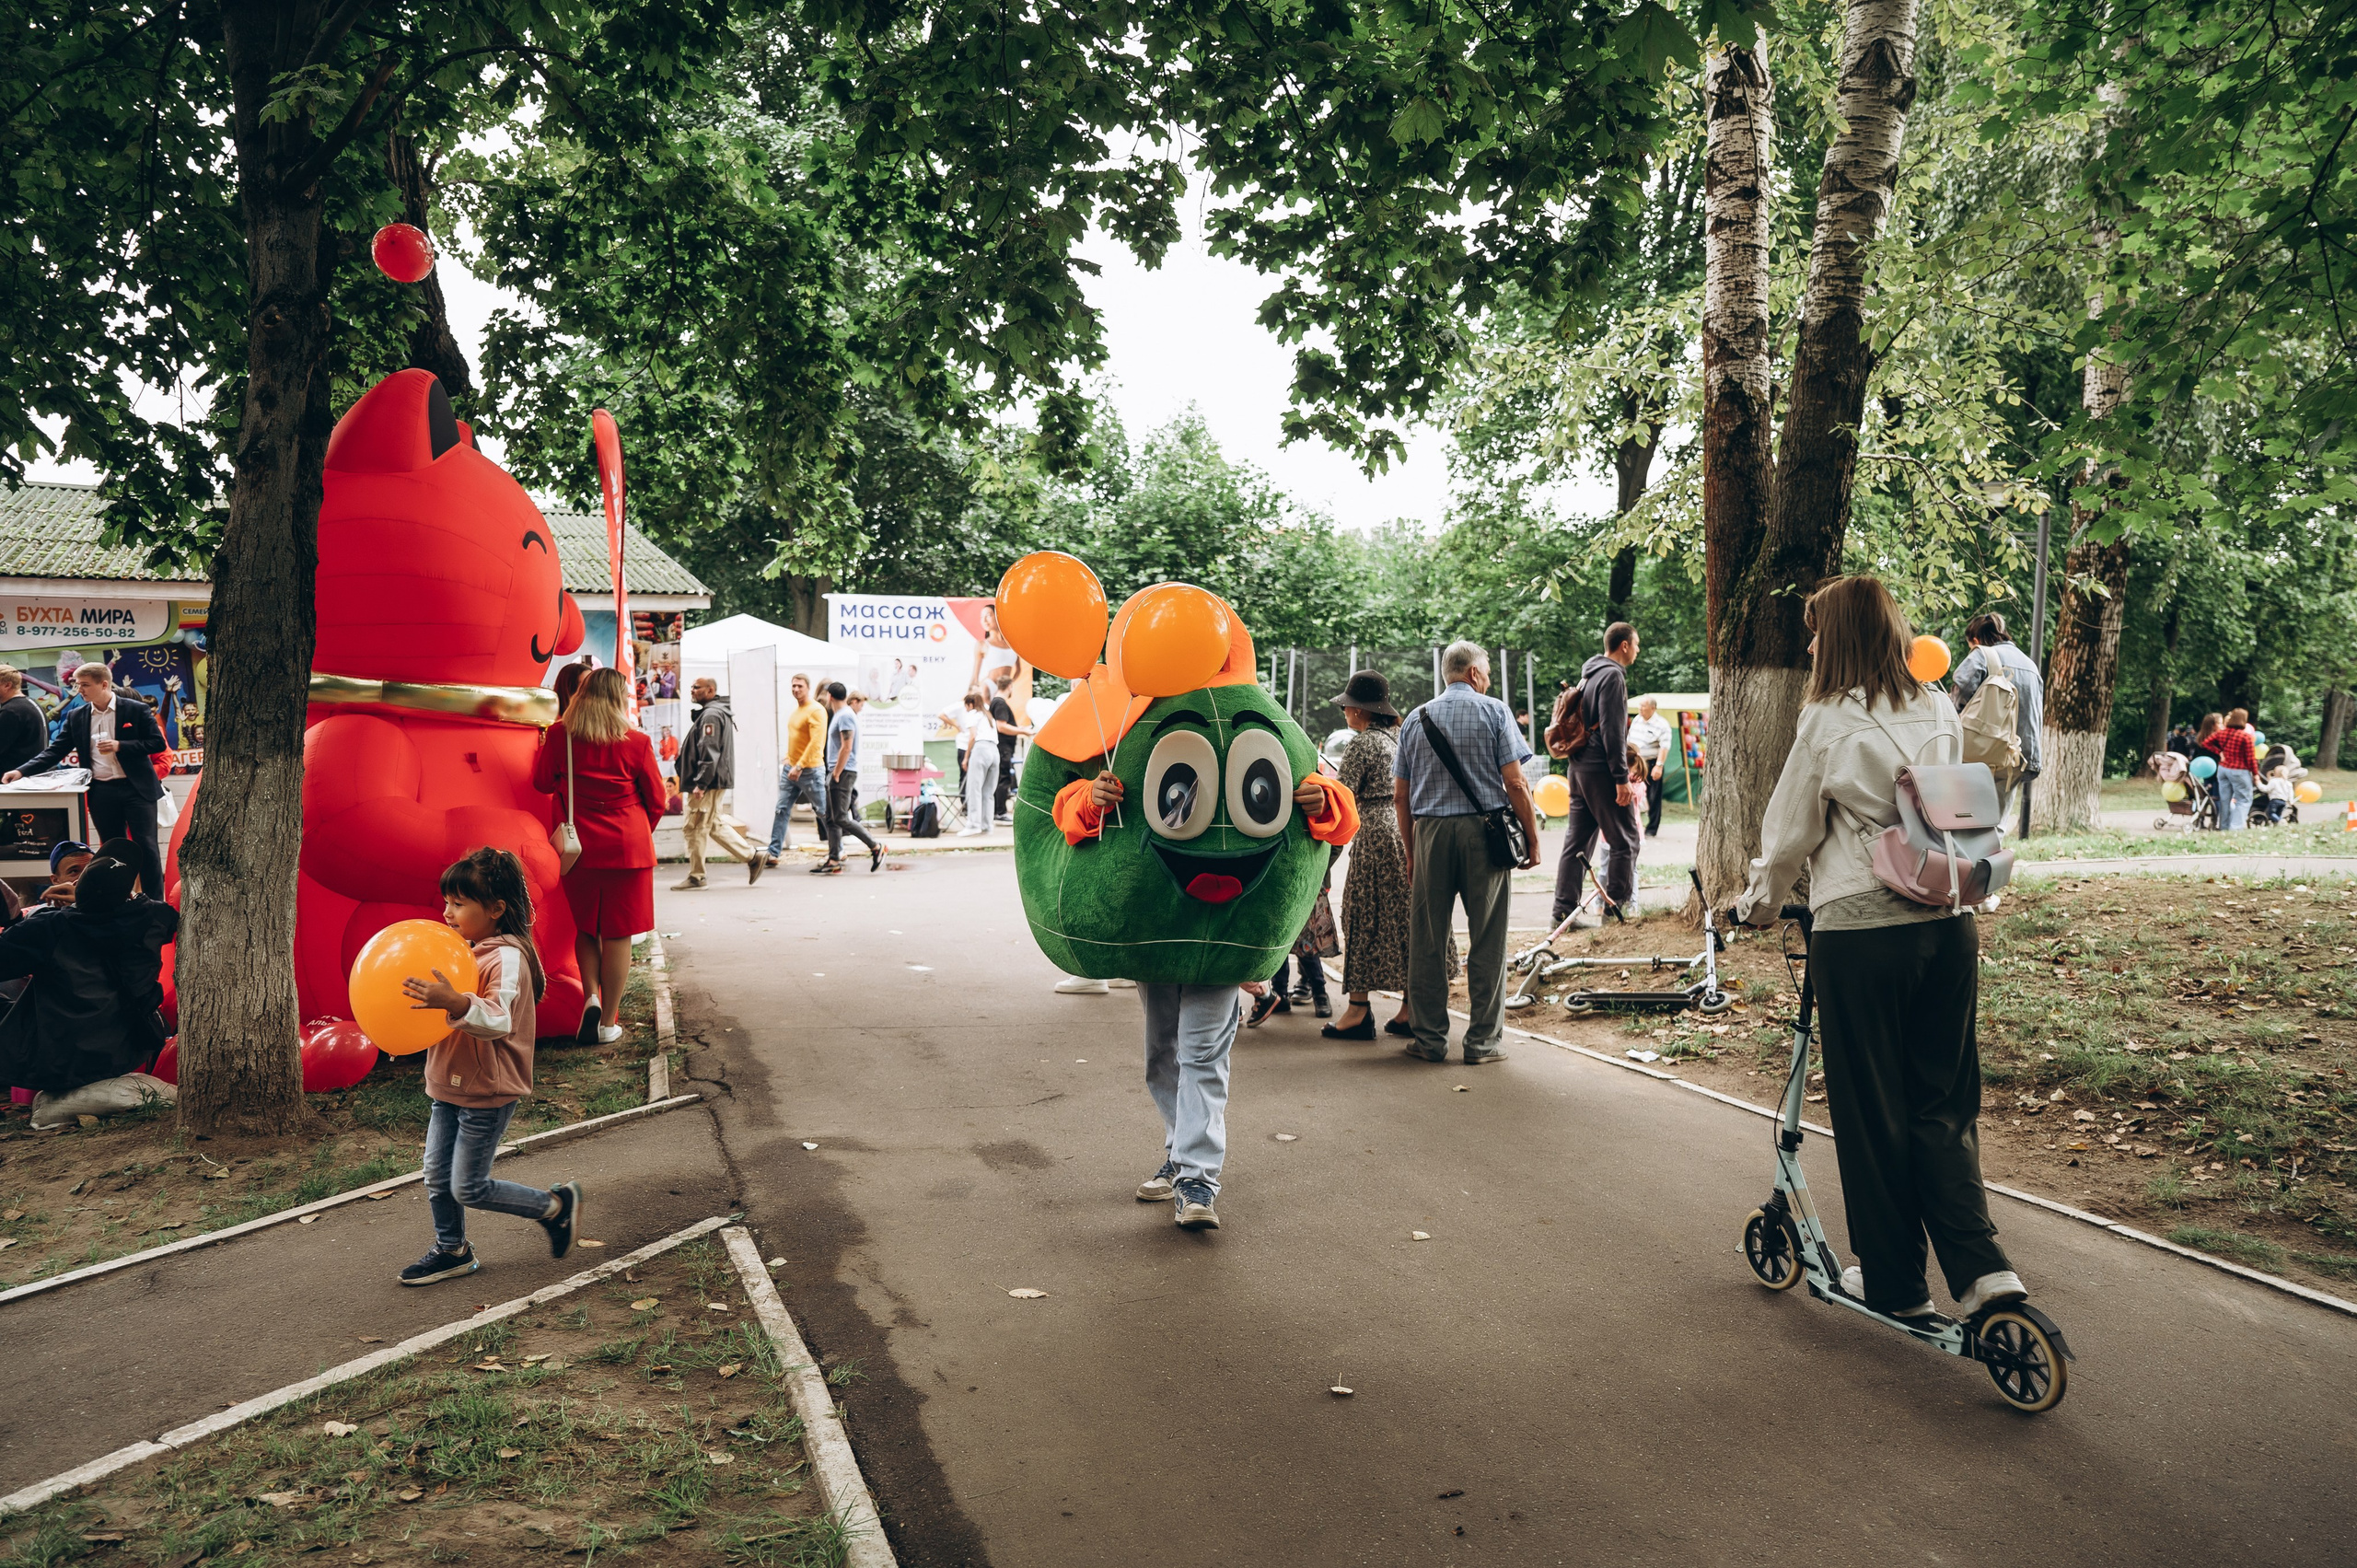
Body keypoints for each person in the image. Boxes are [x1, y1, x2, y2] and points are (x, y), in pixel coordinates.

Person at [1731, 574, 2026, 1322]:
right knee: (1945, 1102)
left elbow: (1791, 832)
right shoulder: (1935, 703)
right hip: (1946, 922)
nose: (1809, 641)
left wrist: (1757, 905)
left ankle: (1894, 1281)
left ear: (1842, 633)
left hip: (1863, 935)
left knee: (1873, 1114)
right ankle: (1984, 1268)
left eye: (1815, 628)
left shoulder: (1827, 720)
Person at [1067, 767, 1276, 1231]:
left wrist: (1323, 798)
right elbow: (1063, 809)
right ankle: (1181, 1154)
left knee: (1202, 1055)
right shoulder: (1131, 728)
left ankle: (1197, 1178)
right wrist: (1090, 797)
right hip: (1156, 935)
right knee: (1162, 1053)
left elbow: (1327, 817)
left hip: (1221, 932)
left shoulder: (1235, 714)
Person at [394, 846, 583, 1285]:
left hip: (488, 1088)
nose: (447, 912)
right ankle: (451, 1250)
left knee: (468, 1186)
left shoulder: (508, 957)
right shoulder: (464, 948)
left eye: (459, 904)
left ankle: (555, 1208)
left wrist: (456, 1002)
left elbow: (498, 1019)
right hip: (447, 1082)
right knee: (437, 1177)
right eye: (447, 902)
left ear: (496, 909)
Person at [1395, 641, 1541, 1065]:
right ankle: (1482, 1043)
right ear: (1474, 673)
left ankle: (1429, 1041)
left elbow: (1400, 796)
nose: (1489, 680)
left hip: (1430, 833)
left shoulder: (1414, 720)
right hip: (1485, 836)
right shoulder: (1495, 711)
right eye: (1488, 672)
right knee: (1488, 940)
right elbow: (1516, 784)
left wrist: (1411, 851)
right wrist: (1531, 839)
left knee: (1427, 939)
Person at [531, 667, 666, 1046]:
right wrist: (637, 832)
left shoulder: (560, 735)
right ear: (619, 699)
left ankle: (590, 994)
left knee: (587, 928)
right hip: (629, 849)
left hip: (579, 850)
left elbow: (541, 782)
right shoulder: (636, 742)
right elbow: (657, 801)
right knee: (619, 934)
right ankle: (608, 1022)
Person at [0, 856, 178, 1111]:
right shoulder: (152, 917)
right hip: (130, 1049)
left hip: (64, 1063)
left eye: (85, 872)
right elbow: (159, 911)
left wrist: (15, 920)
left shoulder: (49, 927)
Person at [5, 662, 169, 900]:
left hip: (136, 790)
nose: (79, 690)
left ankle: (155, 904)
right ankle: (118, 901)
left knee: (147, 848)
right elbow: (54, 751)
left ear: (104, 684)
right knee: (112, 851)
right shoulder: (77, 716)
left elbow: (157, 743)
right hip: (102, 791)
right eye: (76, 685)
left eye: (84, 685)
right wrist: (21, 771)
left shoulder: (135, 710)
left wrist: (120, 745)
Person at [1323, 672, 1429, 1040]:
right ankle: (1409, 1008)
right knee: (1403, 920)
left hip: (1374, 836)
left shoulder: (1362, 744)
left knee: (1361, 915)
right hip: (1406, 830)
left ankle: (1357, 1010)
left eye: (1347, 706)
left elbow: (1342, 797)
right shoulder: (1399, 736)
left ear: (1359, 710)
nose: (1345, 712)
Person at [1550, 622, 1642, 928]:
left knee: (1576, 843)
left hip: (1577, 767)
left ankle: (1562, 914)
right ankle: (1615, 915)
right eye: (1636, 644)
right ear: (1624, 645)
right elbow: (1613, 730)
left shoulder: (1588, 675)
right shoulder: (1612, 676)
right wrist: (1621, 778)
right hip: (1601, 770)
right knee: (1625, 841)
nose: (1638, 650)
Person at [1950, 610, 2044, 816]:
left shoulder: (1981, 654)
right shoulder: (2030, 665)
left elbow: (1961, 690)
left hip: (1982, 750)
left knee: (1968, 818)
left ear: (1975, 640)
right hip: (2017, 757)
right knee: (1997, 821)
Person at [673, 677, 762, 889]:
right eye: (692, 686)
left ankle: (697, 876)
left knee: (695, 827)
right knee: (711, 824)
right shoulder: (712, 712)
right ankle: (752, 857)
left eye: (697, 687)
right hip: (712, 781)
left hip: (708, 783)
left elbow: (709, 750)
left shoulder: (711, 714)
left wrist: (701, 783)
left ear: (710, 690)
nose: (692, 690)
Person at [816, 680, 882, 874]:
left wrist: (836, 772)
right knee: (832, 818)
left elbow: (847, 747)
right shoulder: (841, 715)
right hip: (836, 771)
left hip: (842, 772)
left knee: (842, 818)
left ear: (829, 697)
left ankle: (876, 846)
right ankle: (834, 859)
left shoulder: (844, 715)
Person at [767, 673, 830, 865]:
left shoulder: (816, 710)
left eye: (799, 686)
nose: (796, 689)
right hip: (791, 768)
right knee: (781, 809)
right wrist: (789, 758)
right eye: (793, 686)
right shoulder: (797, 711)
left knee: (823, 811)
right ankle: (773, 852)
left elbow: (816, 743)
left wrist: (800, 765)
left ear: (808, 688)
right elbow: (798, 739)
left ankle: (837, 850)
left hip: (810, 769)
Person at [942, 688, 1000, 838]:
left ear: (970, 705)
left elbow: (973, 736)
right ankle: (987, 826)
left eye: (966, 706)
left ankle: (973, 825)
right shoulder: (988, 715)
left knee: (974, 789)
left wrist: (966, 757)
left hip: (980, 749)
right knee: (988, 792)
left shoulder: (973, 714)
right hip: (994, 751)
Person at [2202, 707, 2258, 830]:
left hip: (2223, 770)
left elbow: (2206, 742)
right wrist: (2255, 774)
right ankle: (2235, 828)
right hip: (2239, 771)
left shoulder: (2221, 733)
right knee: (2244, 799)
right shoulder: (2245, 737)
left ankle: (2224, 827)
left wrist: (2219, 752)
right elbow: (2250, 759)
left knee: (2225, 800)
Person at [1627, 695, 1675, 838]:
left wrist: (1659, 766)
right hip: (1635, 763)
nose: (1640, 709)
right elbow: (1630, 739)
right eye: (1640, 706)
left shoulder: (1662, 724)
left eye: (1643, 706)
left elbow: (1664, 747)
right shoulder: (1636, 720)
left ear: (1652, 708)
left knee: (1653, 797)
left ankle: (1652, 828)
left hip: (1652, 763)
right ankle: (1634, 825)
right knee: (1634, 793)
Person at [987, 669, 1030, 824]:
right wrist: (1023, 730)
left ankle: (997, 811)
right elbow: (1002, 726)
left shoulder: (995, 702)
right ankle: (1000, 812)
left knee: (1001, 778)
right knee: (1003, 778)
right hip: (1003, 747)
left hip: (1003, 747)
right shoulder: (1000, 703)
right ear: (1010, 686)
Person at [0, 667, 46, 776]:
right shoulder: (29, 704)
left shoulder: (12, 711)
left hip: (13, 779)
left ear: (7, 685)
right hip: (29, 774)